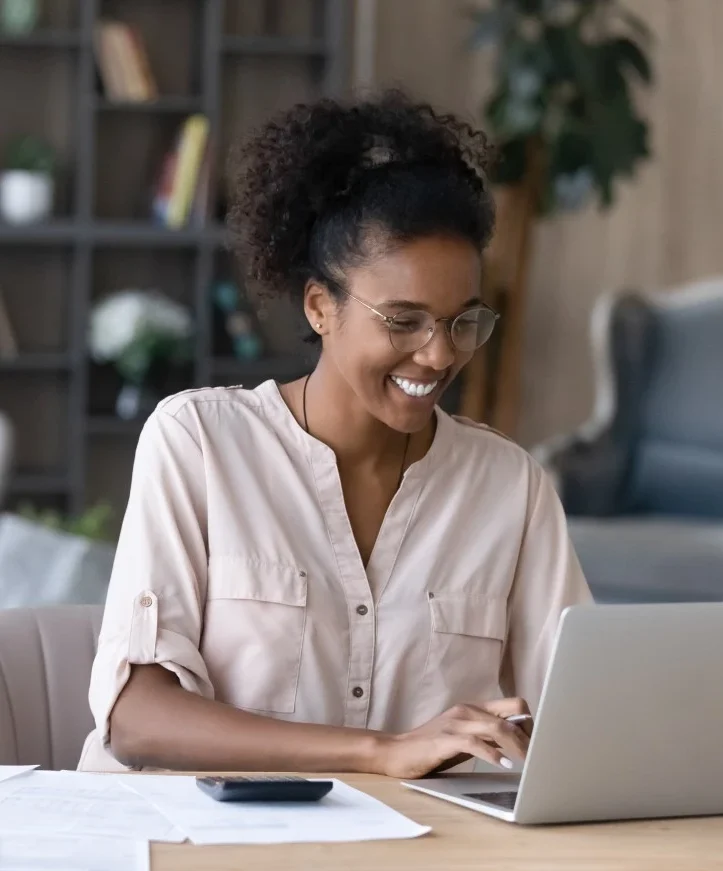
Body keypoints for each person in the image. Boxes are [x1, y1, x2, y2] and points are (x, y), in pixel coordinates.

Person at [78, 90, 591, 777]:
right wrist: (383, 752)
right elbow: (135, 717)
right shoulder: (198, 443)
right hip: (195, 840)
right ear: (321, 306)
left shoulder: (509, 486)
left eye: (462, 320)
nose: (439, 354)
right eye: (404, 320)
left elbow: (577, 710)